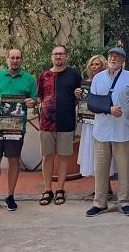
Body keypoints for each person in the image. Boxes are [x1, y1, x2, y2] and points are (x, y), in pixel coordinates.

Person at [0, 49, 37, 212]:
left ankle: (10, 196)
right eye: (12, 58)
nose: (15, 60)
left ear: (21, 60)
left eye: (18, 58)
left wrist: (31, 102)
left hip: (15, 125)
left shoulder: (29, 79)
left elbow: (34, 100)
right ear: (7, 60)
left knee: (14, 160)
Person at [85, 47, 129, 217]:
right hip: (101, 132)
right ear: (107, 59)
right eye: (111, 56)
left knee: (124, 169)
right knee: (100, 169)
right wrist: (109, 109)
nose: (114, 59)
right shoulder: (98, 78)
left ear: (123, 60)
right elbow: (92, 104)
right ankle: (99, 203)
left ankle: (125, 202)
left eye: (118, 56)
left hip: (123, 131)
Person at [36, 45, 82, 206]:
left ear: (66, 56)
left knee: (64, 157)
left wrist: (79, 94)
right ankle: (47, 189)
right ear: (51, 57)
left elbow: (80, 94)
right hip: (46, 123)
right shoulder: (44, 75)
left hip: (67, 121)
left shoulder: (74, 74)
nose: (58, 57)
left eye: (61, 54)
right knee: (47, 157)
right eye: (55, 54)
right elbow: (40, 97)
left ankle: (60, 189)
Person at [75, 55, 115, 198]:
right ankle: (100, 188)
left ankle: (108, 188)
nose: (93, 67)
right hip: (88, 123)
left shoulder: (108, 81)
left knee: (104, 154)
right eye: (92, 64)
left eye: (97, 64)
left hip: (103, 122)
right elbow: (83, 104)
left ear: (103, 66)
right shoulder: (86, 83)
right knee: (93, 154)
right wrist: (78, 95)